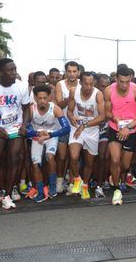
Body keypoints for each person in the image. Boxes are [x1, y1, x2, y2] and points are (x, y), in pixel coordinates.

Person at [0, 58, 31, 210]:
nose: (13, 73)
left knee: (14, 159)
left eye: (14, 69)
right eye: (9, 70)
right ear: (0, 72)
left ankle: (7, 195)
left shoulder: (21, 86)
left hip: (15, 127)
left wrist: (24, 126)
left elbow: (26, 108)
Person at [104, 65, 136, 205]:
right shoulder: (108, 90)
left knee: (124, 165)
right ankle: (116, 190)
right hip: (114, 128)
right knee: (115, 160)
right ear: (116, 79)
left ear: (131, 79)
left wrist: (128, 127)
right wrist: (114, 118)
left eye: (127, 81)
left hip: (131, 129)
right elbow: (107, 112)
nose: (124, 85)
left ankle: (115, 175)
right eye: (121, 81)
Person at [27, 85, 70, 202]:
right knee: (35, 163)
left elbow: (66, 128)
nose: (42, 101)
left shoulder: (55, 109)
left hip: (52, 136)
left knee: (50, 157)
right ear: (35, 98)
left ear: (49, 97)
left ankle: (52, 187)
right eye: (39, 98)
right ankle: (40, 192)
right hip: (37, 137)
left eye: (45, 98)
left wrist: (50, 135)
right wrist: (37, 133)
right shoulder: (31, 109)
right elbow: (24, 130)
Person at [67, 71, 106, 200]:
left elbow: (102, 116)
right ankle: (77, 179)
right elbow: (69, 110)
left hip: (91, 129)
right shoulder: (74, 91)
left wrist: (84, 125)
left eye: (91, 84)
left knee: (89, 162)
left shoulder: (98, 94)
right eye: (86, 84)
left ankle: (85, 185)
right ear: (80, 82)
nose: (89, 87)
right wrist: (71, 117)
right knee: (73, 157)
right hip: (76, 128)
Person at [54, 61, 80, 194]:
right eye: (69, 71)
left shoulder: (83, 84)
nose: (72, 74)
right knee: (62, 156)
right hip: (63, 125)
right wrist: (69, 97)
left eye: (74, 71)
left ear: (78, 72)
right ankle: (59, 180)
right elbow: (59, 105)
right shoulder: (60, 84)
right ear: (65, 72)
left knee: (74, 157)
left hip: (78, 126)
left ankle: (72, 182)